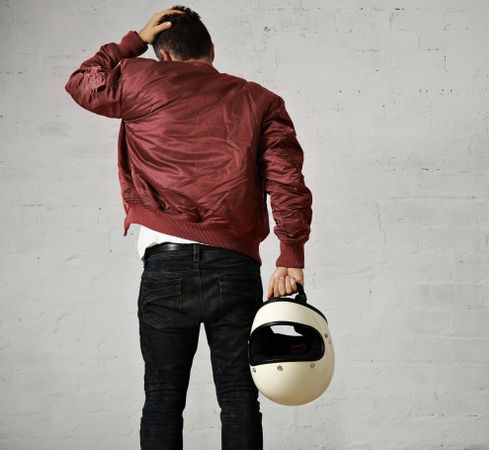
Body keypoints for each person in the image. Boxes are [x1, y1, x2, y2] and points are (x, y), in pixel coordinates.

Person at [64, 5, 313, 449]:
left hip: (165, 267)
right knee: (239, 398)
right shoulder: (259, 100)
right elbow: (287, 180)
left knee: (161, 399)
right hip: (234, 267)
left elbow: (82, 81)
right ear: (211, 50)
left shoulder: (139, 79)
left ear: (163, 56)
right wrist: (290, 252)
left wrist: (132, 41)